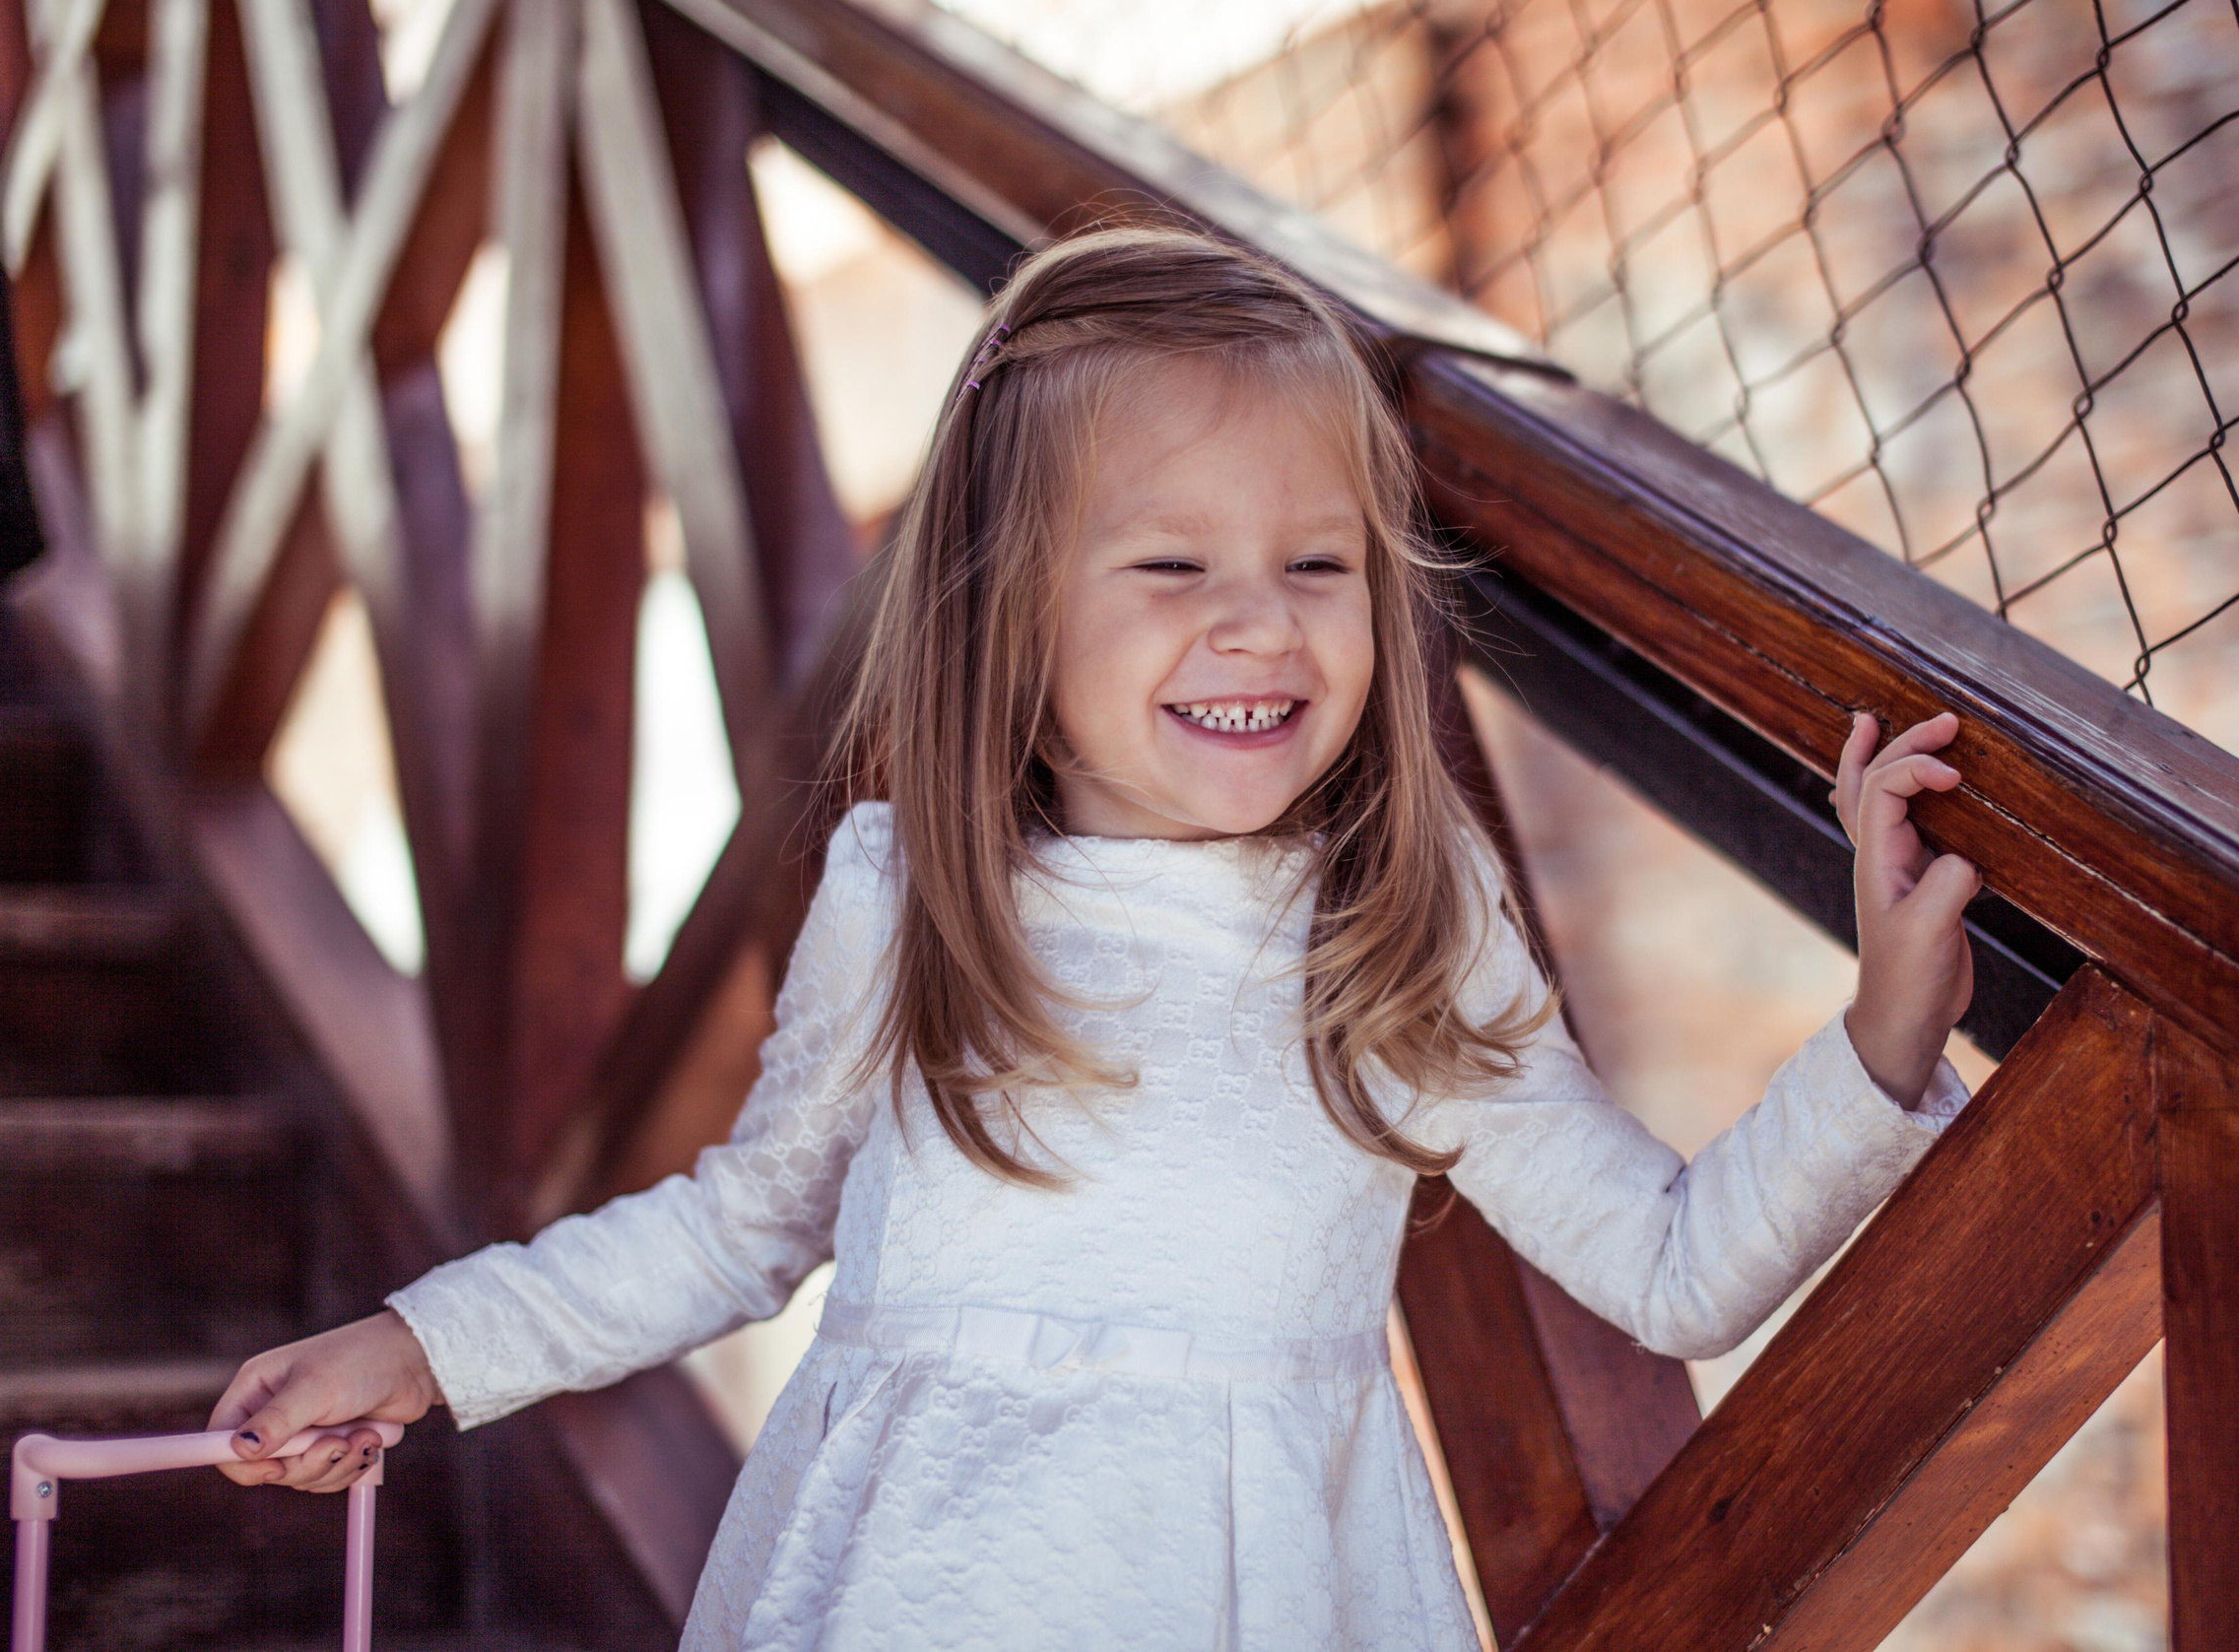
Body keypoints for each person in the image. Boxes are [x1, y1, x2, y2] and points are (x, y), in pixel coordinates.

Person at [206, 224, 1979, 1649]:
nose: (1260, 625)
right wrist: (430, 1347)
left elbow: (1673, 1270)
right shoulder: (912, 895)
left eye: (1319, 564)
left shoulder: (1400, 928)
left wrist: (1883, 1037)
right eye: (1170, 566)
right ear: (1012, 611)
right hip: (911, 1588)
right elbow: (742, 1226)